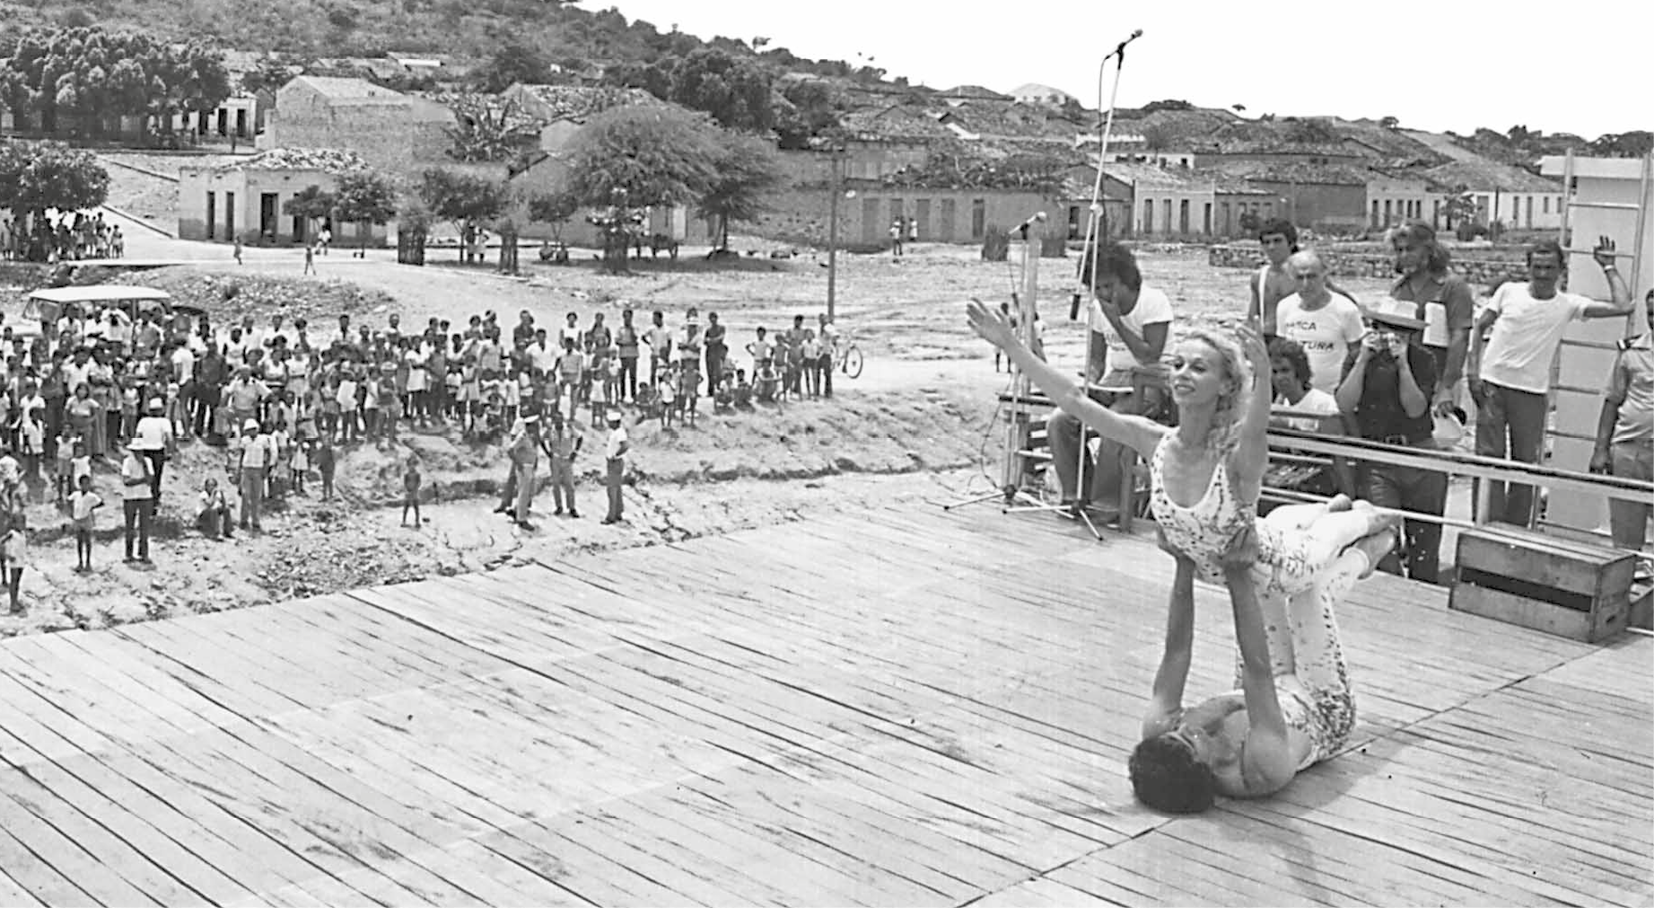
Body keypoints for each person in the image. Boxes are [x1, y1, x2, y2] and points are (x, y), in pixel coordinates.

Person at [967, 299, 1398, 812]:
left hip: (1275, 564)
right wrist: (1013, 347)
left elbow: (1081, 402)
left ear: (1222, 386)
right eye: (1179, 364)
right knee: (1312, 578)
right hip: (1295, 669)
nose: (1183, 373)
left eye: (1196, 366)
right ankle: (1368, 540)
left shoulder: (1227, 456)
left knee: (1306, 551)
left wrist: (1012, 346)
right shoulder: (1255, 769)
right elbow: (1257, 673)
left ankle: (1371, 521)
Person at [1468, 237, 1630, 526]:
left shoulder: (1567, 304)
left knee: (1526, 465)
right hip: (1493, 384)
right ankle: (1485, 525)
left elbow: (1623, 306)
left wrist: (1608, 267)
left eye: (1549, 268)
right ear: (1528, 268)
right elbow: (1479, 326)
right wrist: (1473, 372)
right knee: (1488, 459)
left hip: (1531, 392)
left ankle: (1516, 531)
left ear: (1561, 271)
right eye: (1537, 267)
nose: (1543, 274)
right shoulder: (1508, 292)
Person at [1048, 241, 1172, 521]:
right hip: (1113, 380)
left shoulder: (1152, 301)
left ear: (1126, 280)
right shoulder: (1096, 309)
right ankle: (1075, 494)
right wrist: (1089, 380)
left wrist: (1117, 322)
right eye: (1098, 287)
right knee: (1060, 419)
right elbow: (1096, 359)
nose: (1104, 293)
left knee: (1114, 423)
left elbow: (1150, 356)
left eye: (1109, 286)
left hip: (1151, 381)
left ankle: (1107, 504)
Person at [1335, 298, 1447, 583]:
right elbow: (1345, 403)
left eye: (1400, 332)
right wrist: (1362, 360)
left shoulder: (1423, 360)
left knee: (1425, 541)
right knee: (1381, 537)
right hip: (1379, 456)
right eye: (1385, 329)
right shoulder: (1359, 357)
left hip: (1419, 451)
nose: (1391, 338)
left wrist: (1403, 366)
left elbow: (1415, 408)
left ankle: (1424, 594)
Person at [1591, 289, 1654, 564]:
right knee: (1627, 540)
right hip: (1631, 451)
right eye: (1651, 313)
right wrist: (1600, 450)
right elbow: (1612, 402)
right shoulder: (1630, 351)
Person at [1388, 221, 1475, 416]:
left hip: (1438, 380)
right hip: (1403, 378)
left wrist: (1447, 387)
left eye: (1410, 249)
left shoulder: (1453, 287)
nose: (1404, 256)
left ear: (1428, 250)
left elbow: (1459, 338)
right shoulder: (1398, 288)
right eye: (1399, 250)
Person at [1273, 250, 1365, 395]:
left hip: (1332, 396)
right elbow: (1281, 355)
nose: (1306, 284)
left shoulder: (1346, 310)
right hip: (1295, 397)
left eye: (1311, 277)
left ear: (1324, 276)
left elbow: (1357, 354)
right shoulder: (1284, 307)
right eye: (1299, 278)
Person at [121, 444, 154, 564]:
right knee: (130, 526)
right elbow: (126, 481)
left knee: (144, 527)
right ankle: (129, 554)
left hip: (145, 496)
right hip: (130, 497)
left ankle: (143, 553)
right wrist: (142, 480)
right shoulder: (127, 462)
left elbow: (150, 480)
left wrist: (144, 465)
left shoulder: (148, 461)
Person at [547, 411, 581, 518]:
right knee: (555, 483)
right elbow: (543, 439)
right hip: (555, 459)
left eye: (560, 419)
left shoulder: (569, 428)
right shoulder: (550, 430)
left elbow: (580, 438)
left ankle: (571, 507)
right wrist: (548, 452)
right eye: (556, 420)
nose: (559, 422)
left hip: (567, 459)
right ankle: (559, 506)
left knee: (569, 484)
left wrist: (575, 452)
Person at [70, 473, 104, 570]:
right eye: (83, 484)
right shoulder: (76, 495)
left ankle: (88, 562)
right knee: (79, 541)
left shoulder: (91, 496)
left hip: (86, 519)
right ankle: (80, 562)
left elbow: (101, 502)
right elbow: (69, 501)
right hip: (77, 518)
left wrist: (92, 508)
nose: (85, 486)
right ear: (80, 485)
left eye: (87, 484)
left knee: (88, 541)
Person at [602, 409, 628, 525]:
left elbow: (625, 446)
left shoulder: (619, 433)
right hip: (615, 462)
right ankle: (618, 512)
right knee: (616, 488)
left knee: (612, 489)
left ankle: (611, 516)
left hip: (615, 462)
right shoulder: (617, 432)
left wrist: (614, 455)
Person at [401, 455, 422, 527]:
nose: (411, 466)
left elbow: (418, 483)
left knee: (416, 508)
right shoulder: (406, 475)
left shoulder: (417, 474)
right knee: (406, 508)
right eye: (410, 464)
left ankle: (417, 521)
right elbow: (404, 483)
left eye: (413, 464)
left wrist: (414, 490)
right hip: (408, 492)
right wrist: (407, 490)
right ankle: (403, 521)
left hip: (415, 493)